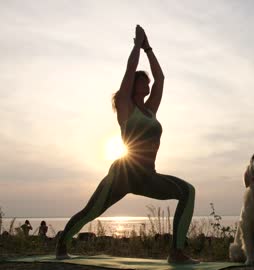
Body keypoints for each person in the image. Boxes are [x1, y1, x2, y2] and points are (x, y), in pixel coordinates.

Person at [55, 25, 198, 264]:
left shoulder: (150, 110)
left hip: (146, 176)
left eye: (147, 82)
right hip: (122, 174)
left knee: (188, 191)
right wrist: (136, 45)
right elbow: (130, 70)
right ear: (133, 86)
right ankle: (62, 242)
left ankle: (176, 252)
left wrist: (148, 48)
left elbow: (161, 78)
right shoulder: (125, 106)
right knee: (92, 211)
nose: (148, 84)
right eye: (143, 81)